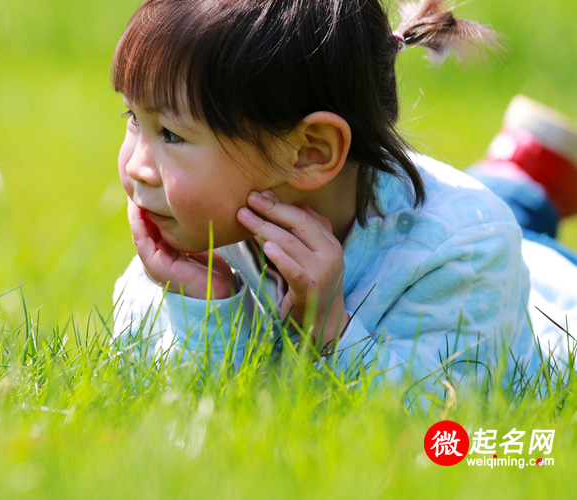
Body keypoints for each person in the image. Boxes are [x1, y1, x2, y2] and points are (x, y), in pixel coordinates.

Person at [110, 0, 577, 384]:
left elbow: (444, 423)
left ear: (309, 151)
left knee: (516, 226)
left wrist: (330, 332)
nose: (135, 166)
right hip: (423, 210)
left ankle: (522, 177)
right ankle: (519, 168)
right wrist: (198, 302)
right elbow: (156, 398)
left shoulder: (466, 250)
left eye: (170, 133)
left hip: (540, 288)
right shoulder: (200, 235)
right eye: (134, 118)